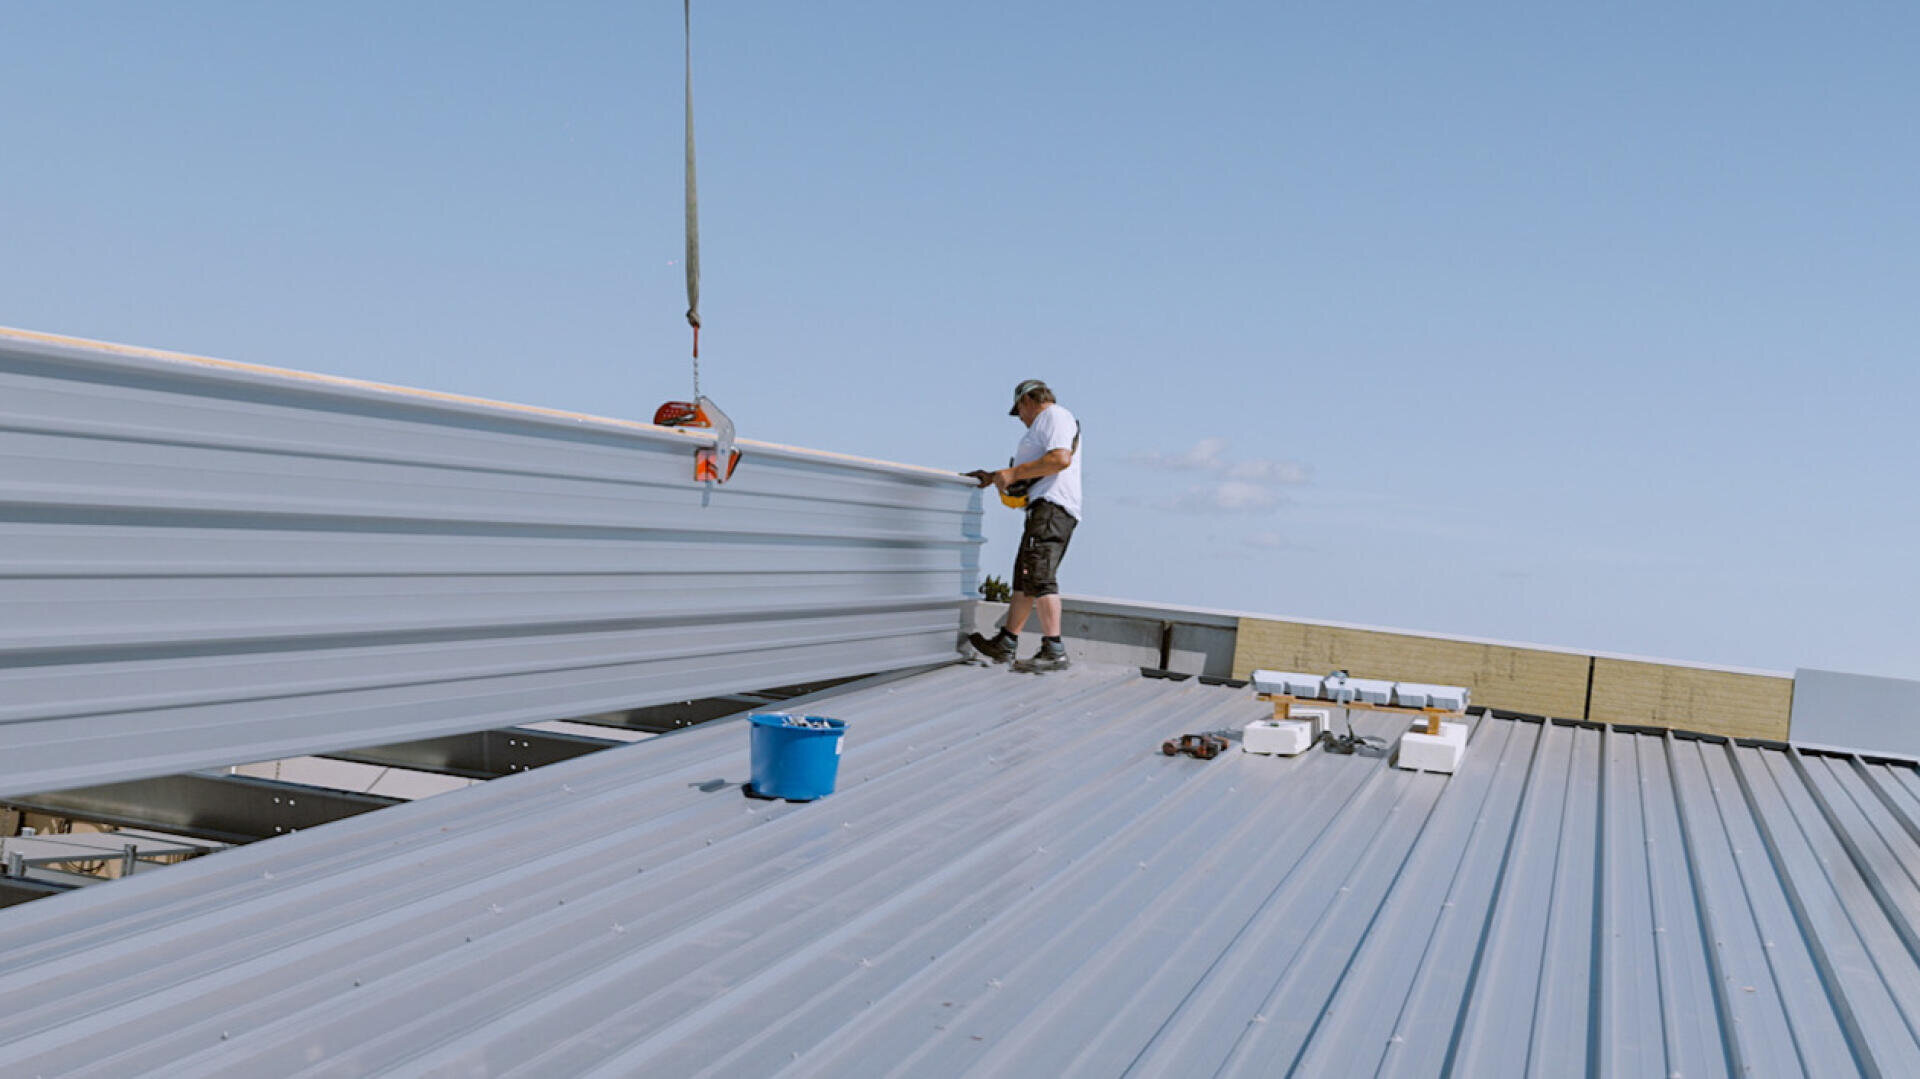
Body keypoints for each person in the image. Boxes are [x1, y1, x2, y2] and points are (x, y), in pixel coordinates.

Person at [967, 378, 1082, 671]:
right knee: (1025, 578)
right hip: (1044, 508)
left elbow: (1059, 459)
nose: (1020, 419)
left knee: (1040, 577)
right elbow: (1034, 469)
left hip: (1051, 508)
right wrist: (994, 477)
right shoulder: (1048, 422)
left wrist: (1013, 472)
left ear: (1027, 401)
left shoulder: (1053, 417)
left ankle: (1054, 649)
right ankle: (1006, 642)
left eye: (1018, 412)